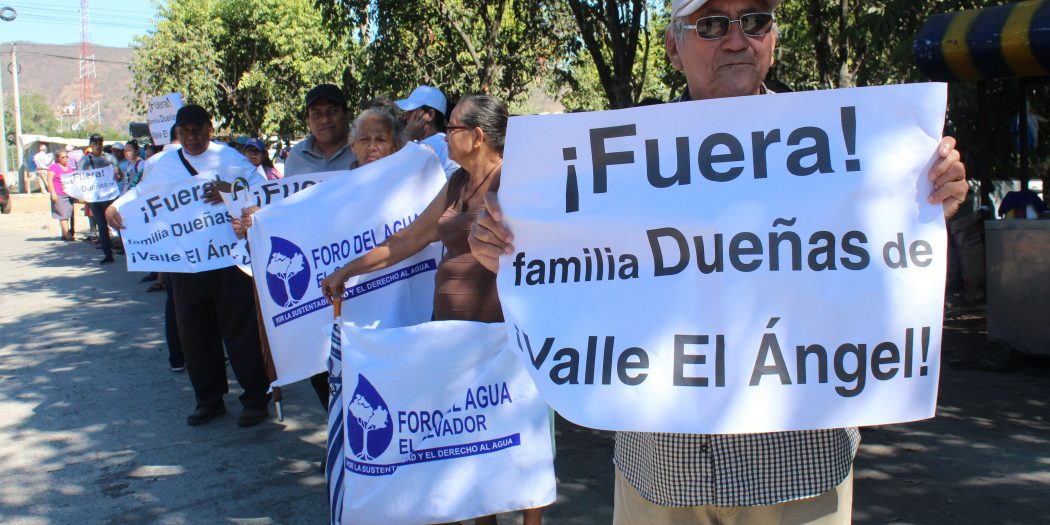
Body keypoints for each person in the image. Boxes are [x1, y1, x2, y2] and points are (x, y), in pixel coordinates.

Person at [468, 1, 970, 524]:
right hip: (661, 473)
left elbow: (875, 255)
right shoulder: (614, 164)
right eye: (710, 24)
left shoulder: (848, 149)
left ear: (773, 37)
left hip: (799, 472)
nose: (736, 39)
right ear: (673, 47)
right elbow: (576, 271)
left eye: (755, 21)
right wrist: (508, 249)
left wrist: (926, 200)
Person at [321, 95, 545, 525]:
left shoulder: (516, 181)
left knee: (520, 438)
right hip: (453, 335)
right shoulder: (459, 182)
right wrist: (346, 270)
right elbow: (408, 239)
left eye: (453, 127)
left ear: (477, 137)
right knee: (474, 441)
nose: (445, 135)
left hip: (503, 336)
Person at [106, 104, 272, 427]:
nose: (192, 137)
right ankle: (208, 400)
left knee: (242, 332)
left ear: (210, 129)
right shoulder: (162, 164)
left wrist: (227, 192)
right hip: (185, 265)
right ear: (177, 133)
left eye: (198, 130)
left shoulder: (231, 159)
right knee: (195, 333)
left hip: (229, 261)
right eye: (185, 132)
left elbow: (261, 192)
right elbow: (141, 193)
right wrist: (116, 206)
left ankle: (255, 398)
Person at [283, 84, 355, 175]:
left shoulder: (365, 150)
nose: (325, 119)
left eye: (333, 111)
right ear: (308, 121)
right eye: (316, 114)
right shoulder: (296, 156)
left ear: (347, 115)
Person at [397, 85, 460, 178]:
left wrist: (406, 135)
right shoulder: (416, 143)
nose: (406, 116)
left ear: (430, 115)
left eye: (411, 112)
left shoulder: (444, 147)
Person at [78, 134, 122, 264]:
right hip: (95, 198)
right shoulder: (85, 160)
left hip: (110, 196)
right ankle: (108, 254)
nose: (98, 145)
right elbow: (80, 178)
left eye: (100, 143)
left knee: (117, 223)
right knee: (102, 226)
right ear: (91, 145)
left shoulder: (110, 158)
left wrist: (117, 175)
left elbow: (119, 176)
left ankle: (127, 249)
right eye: (95, 143)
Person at [46, 149, 76, 241]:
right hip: (59, 193)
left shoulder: (69, 168)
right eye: (63, 157)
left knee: (68, 213)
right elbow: (50, 180)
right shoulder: (53, 167)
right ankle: (67, 234)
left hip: (68, 194)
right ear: (58, 158)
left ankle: (64, 233)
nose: (65, 159)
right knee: (62, 215)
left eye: (66, 157)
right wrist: (53, 193)